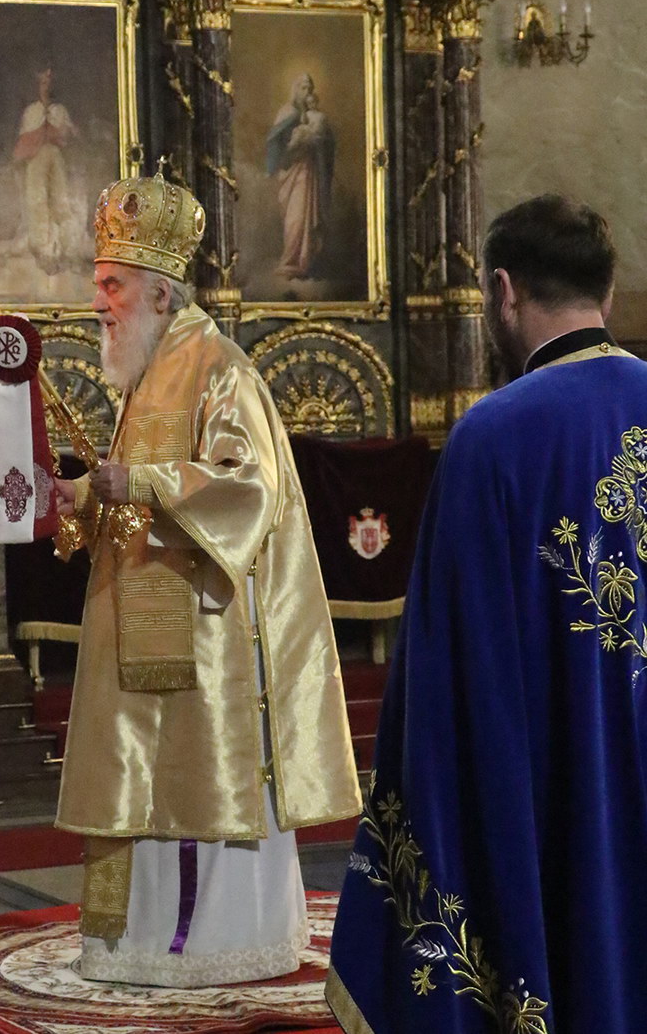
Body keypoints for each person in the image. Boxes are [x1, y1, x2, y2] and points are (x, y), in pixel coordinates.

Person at [327, 195, 647, 1033]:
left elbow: (450, 674)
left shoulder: (494, 436)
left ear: (503, 292)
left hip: (560, 789)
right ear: (607, 292)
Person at [53, 170, 361, 987]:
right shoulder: (149, 368)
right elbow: (129, 495)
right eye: (99, 284)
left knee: (192, 788)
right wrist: (81, 495)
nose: (99, 302)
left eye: (113, 286)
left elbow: (250, 488)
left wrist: (139, 482)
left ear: (159, 293)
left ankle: (209, 946)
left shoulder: (220, 367)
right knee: (137, 779)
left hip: (207, 635)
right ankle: (135, 943)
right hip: (144, 625)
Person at [266, 72, 335, 280]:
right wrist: (292, 148)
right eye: (304, 88)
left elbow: (326, 144)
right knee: (294, 219)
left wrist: (316, 142)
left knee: (306, 216)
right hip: (290, 172)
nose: (307, 93)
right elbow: (275, 143)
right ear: (296, 90)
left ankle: (304, 261)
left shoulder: (316, 117)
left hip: (309, 173)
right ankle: (290, 261)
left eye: (310, 89)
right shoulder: (287, 112)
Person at [12, 64, 80, 275]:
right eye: (43, 82)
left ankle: (65, 250)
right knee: (37, 202)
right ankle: (44, 252)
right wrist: (43, 134)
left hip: (56, 157)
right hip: (36, 158)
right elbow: (25, 139)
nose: (46, 87)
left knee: (60, 200)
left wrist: (59, 133)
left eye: (49, 83)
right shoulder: (32, 111)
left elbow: (69, 135)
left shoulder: (60, 111)